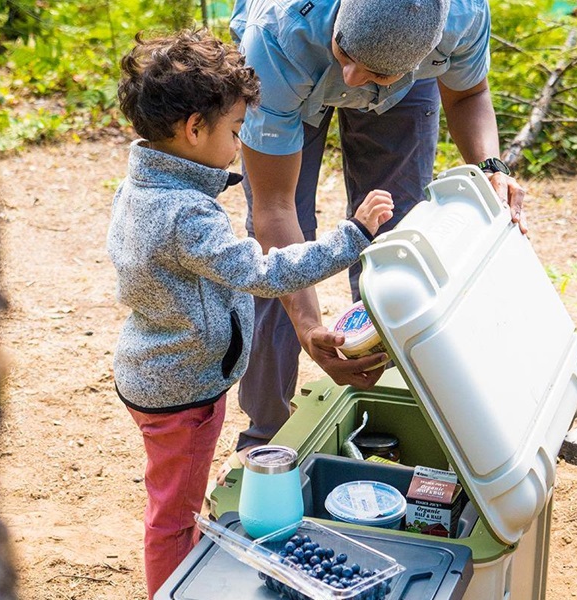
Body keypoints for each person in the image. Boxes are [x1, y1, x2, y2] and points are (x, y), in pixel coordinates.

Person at [107, 28, 394, 598]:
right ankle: (172, 589)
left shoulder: (144, 185)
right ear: (194, 129)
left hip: (159, 367)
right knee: (175, 516)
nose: (240, 145)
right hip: (183, 391)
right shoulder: (186, 215)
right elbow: (267, 274)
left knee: (178, 492)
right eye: (235, 132)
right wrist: (352, 236)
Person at [226, 0, 527, 463]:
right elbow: (275, 208)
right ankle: (268, 434)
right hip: (297, 66)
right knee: (272, 267)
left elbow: (468, 94)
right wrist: (309, 328)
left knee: (395, 239)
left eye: (373, 74)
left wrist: (490, 167)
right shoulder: (280, 35)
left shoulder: (462, 16)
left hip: (408, 80)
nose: (351, 80)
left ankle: (383, 405)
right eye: (345, 55)